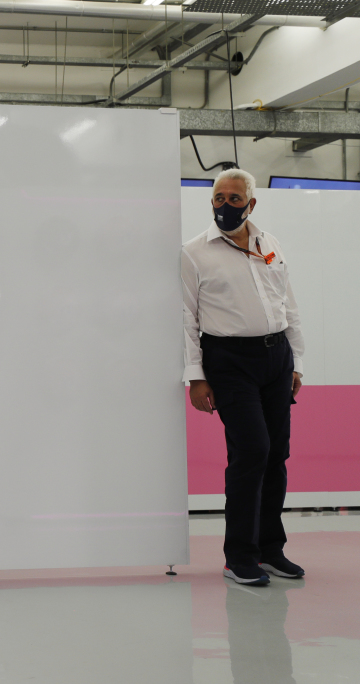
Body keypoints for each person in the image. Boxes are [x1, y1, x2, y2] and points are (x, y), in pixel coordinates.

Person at [182, 168, 304, 587]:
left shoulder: (269, 244)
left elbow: (286, 303)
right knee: (252, 450)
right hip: (229, 362)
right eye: (219, 198)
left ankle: (271, 550)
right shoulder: (194, 252)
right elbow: (186, 318)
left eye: (235, 199)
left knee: (277, 455)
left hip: (276, 358)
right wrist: (196, 376)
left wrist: (296, 362)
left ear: (251, 204)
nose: (225, 205)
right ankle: (239, 556)